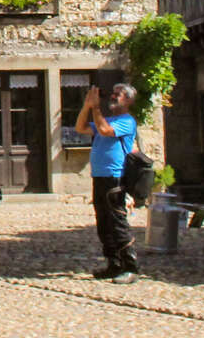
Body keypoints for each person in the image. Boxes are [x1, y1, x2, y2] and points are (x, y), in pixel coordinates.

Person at [75, 81, 140, 283]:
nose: (112, 96)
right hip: (100, 176)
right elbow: (80, 127)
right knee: (103, 223)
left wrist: (95, 107)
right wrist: (87, 106)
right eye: (112, 93)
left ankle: (130, 267)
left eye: (117, 94)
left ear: (128, 100)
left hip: (115, 176)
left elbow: (104, 130)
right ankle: (114, 264)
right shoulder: (108, 119)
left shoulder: (127, 121)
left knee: (117, 221)